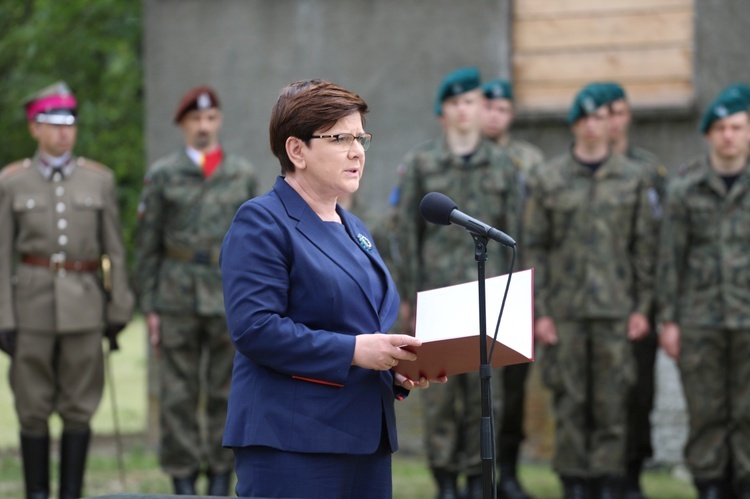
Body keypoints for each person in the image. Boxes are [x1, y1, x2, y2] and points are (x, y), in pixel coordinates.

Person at [219, 78, 443, 499]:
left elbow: (357, 322)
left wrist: (395, 367)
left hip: (364, 439)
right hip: (294, 444)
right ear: (296, 150)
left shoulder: (355, 228)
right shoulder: (262, 221)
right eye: (340, 138)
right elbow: (255, 329)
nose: (357, 150)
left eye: (360, 137)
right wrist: (356, 352)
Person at [522, 83, 658, 498]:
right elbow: (536, 248)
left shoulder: (634, 179)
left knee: (613, 403)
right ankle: (574, 481)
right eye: (583, 119)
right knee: (569, 400)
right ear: (574, 125)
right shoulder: (549, 179)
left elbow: (645, 250)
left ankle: (609, 480)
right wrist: (541, 311)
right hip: (565, 311)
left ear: (609, 123)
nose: (592, 127)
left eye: (599, 118)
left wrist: (642, 307)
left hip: (616, 310)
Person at [0, 81, 134, 499]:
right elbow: (3, 254)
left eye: (69, 123)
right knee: (32, 407)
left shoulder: (99, 180)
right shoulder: (11, 182)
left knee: (80, 406)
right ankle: (37, 493)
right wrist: (3, 317)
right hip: (30, 307)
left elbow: (114, 248)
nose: (63, 132)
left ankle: (71, 493)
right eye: (52, 123)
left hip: (84, 305)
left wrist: (118, 308)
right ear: (34, 128)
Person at [392, 67, 518, 499]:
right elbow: (406, 231)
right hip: (438, 293)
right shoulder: (423, 163)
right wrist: (408, 294)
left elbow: (517, 229)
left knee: (484, 390)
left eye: (472, 102)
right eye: (456, 103)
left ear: (483, 109)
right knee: (442, 392)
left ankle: (472, 478)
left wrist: (515, 292)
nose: (465, 111)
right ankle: (445, 481)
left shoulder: (504, 163)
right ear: (442, 113)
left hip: (488, 293)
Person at [134, 86, 257, 495]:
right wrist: (149, 305)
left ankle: (221, 475)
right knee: (178, 394)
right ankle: (183, 478)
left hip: (228, 295)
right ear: (183, 125)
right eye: (195, 120)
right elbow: (146, 243)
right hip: (176, 296)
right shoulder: (164, 174)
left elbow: (257, 243)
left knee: (229, 389)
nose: (203, 127)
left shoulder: (241, 174)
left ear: (218, 121)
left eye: (209, 119)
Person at [657, 88, 750, 499]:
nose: (728, 136)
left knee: (748, 412)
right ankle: (710, 485)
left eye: (736, 127)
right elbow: (669, 259)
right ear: (708, 135)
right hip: (699, 320)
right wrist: (669, 320)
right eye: (720, 128)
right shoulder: (685, 188)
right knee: (706, 412)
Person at [599, 81, 667, 499]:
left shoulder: (648, 170)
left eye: (619, 112)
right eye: (603, 113)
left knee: (639, 394)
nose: (611, 121)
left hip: (639, 303)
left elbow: (663, 239)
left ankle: (633, 475)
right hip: (596, 302)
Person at [481, 78, 543, 499]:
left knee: (514, 388)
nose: (493, 115)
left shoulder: (531, 162)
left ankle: (512, 471)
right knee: (476, 388)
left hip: (515, 284)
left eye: (502, 108)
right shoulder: (461, 158)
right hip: (473, 281)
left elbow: (538, 228)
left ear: (512, 114)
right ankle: (476, 473)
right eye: (487, 107)